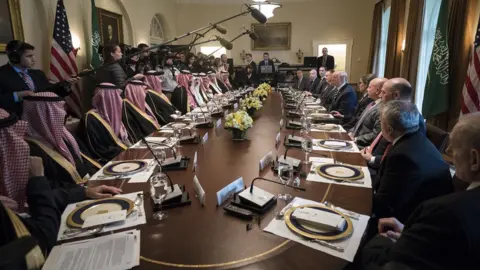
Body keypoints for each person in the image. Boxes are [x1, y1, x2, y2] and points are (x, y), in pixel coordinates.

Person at [357, 113, 480, 270]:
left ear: (474, 160)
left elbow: (391, 262)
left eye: (454, 146)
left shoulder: (445, 213)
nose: (448, 150)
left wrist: (380, 242)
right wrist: (414, 235)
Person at [372, 100, 452, 222]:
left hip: (410, 220)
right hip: (422, 207)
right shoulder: (417, 137)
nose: (379, 124)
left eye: (380, 122)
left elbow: (383, 204)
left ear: (389, 129)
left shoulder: (401, 157)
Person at [22, 92, 100, 188]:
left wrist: (95, 177)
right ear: (42, 115)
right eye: (57, 111)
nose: (64, 114)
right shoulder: (29, 148)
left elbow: (81, 159)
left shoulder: (63, 135)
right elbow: (50, 187)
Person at [360, 78, 426, 172]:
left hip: (382, 169)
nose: (379, 95)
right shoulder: (395, 112)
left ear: (396, 95)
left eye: (383, 92)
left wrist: (372, 159)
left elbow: (402, 156)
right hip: (371, 156)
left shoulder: (412, 119)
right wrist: (370, 149)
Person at [0, 40, 78, 116]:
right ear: (15, 58)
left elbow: (48, 92)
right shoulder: (2, 74)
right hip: (18, 120)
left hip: (43, 117)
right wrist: (17, 95)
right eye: (29, 56)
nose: (34, 59)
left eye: (33, 55)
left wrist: (65, 86)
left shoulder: (38, 74)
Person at [84, 83, 129, 162]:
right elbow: (100, 149)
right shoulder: (91, 118)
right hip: (110, 161)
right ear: (109, 98)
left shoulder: (112, 114)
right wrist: (126, 152)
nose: (119, 100)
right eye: (116, 96)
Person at [347, 78, 387, 147]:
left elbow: (376, 134)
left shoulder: (382, 109)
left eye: (369, 87)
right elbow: (358, 123)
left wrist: (356, 139)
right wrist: (351, 132)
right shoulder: (371, 104)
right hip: (354, 139)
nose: (367, 89)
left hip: (362, 146)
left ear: (377, 91)